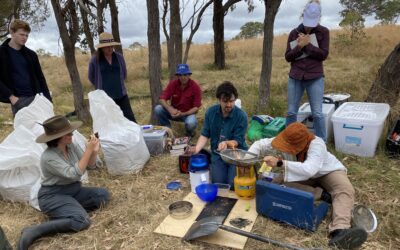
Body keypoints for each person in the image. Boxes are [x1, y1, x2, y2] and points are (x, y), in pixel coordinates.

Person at [248, 122, 368, 249]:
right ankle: (323, 194)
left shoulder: (317, 144)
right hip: (304, 174)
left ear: (301, 143)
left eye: (289, 146)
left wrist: (279, 163)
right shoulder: (288, 137)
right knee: (279, 183)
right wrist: (245, 159)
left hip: (327, 171)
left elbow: (310, 169)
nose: (285, 147)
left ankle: (340, 231)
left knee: (345, 190)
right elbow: (259, 144)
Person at [17, 115, 110, 250]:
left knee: (102, 195)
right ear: (57, 137)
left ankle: (66, 213)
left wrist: (94, 152)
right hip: (52, 196)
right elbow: (74, 173)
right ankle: (34, 230)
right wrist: (88, 150)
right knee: (81, 221)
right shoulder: (48, 157)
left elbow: (89, 166)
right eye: (67, 133)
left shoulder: (71, 145)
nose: (71, 134)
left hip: (73, 190)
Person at [188, 81, 248, 188]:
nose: (229, 104)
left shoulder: (241, 116)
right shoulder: (211, 112)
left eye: (231, 101)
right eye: (225, 101)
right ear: (219, 100)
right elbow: (205, 134)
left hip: (236, 155)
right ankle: (214, 165)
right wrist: (196, 149)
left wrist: (226, 143)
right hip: (218, 154)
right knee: (219, 184)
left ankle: (243, 168)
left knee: (232, 185)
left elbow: (237, 141)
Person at [285, 0, 329, 141]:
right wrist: (299, 47)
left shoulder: (324, 32)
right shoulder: (294, 33)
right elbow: (288, 57)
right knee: (292, 112)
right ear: (303, 15)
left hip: (315, 77)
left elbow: (323, 55)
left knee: (317, 113)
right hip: (295, 77)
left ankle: (321, 143)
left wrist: (307, 45)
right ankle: (288, 140)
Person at [0, 19, 52, 116]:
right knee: (24, 129)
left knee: (42, 129)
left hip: (36, 98)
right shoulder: (2, 53)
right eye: (22, 34)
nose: (25, 38)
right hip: (18, 100)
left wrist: (48, 100)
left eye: (27, 35)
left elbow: (41, 78)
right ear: (12, 33)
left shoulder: (31, 55)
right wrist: (11, 97)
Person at [88, 32, 137, 122]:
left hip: (121, 95)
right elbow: (91, 77)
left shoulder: (119, 57)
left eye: (111, 46)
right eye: (107, 46)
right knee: (110, 123)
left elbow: (124, 74)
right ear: (101, 48)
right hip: (105, 99)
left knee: (130, 120)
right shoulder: (95, 60)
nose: (110, 48)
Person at [154, 64, 202, 137]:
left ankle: (189, 133)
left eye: (185, 75)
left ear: (189, 75)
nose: (183, 77)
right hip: (174, 113)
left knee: (191, 123)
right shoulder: (173, 84)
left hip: (188, 114)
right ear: (178, 76)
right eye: (180, 75)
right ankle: (168, 130)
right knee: (158, 109)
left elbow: (196, 107)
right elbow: (162, 99)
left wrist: (183, 114)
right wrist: (170, 109)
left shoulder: (195, 87)